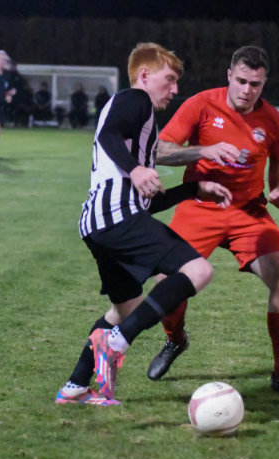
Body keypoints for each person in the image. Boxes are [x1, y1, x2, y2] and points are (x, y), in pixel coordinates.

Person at [55, 42, 232, 406]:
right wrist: (137, 170)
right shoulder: (136, 99)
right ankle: (116, 343)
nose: (175, 89)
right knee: (198, 270)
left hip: (100, 222)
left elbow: (147, 201)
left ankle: (74, 388)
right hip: (116, 215)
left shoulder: (139, 122)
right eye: (170, 79)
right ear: (145, 75)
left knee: (125, 309)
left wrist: (193, 189)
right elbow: (107, 136)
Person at [149, 45, 279, 397]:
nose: (247, 90)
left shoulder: (273, 119)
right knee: (167, 281)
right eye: (241, 81)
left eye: (255, 84)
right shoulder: (201, 104)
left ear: (264, 83)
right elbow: (159, 151)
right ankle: (175, 339)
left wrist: (277, 189)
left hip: (248, 212)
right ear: (229, 75)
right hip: (200, 207)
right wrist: (203, 151)